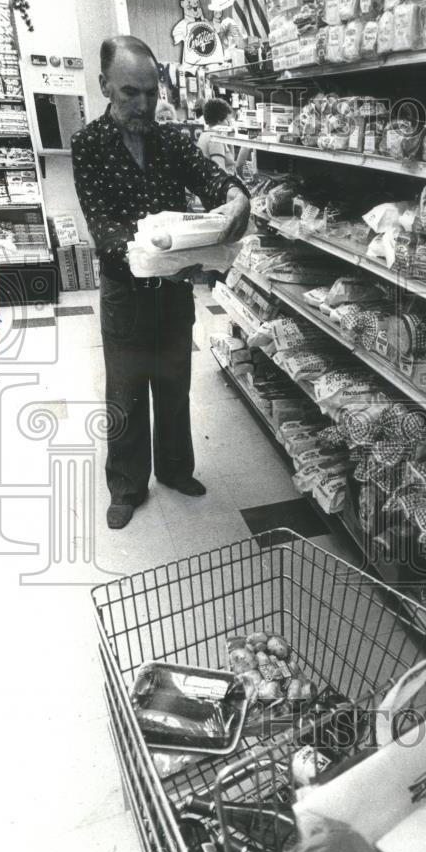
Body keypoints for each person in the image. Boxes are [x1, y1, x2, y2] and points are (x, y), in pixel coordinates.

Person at [71, 35, 250, 530]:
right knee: (125, 390)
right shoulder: (88, 145)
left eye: (151, 92)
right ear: (105, 85)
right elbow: (102, 224)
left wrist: (235, 195)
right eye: (131, 92)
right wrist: (158, 253)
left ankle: (175, 469)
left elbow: (207, 177)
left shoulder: (171, 139)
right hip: (125, 292)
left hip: (172, 292)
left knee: (173, 384)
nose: (144, 104)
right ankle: (127, 485)